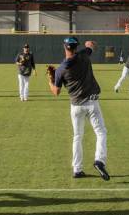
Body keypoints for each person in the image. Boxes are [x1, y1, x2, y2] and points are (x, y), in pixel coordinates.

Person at [47, 37, 109, 181]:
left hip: (76, 106)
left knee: (77, 137)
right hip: (92, 103)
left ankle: (77, 169)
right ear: (76, 47)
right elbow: (90, 46)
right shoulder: (83, 55)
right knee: (101, 133)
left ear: (65, 47)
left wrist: (51, 79)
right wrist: (90, 43)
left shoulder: (61, 69)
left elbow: (55, 92)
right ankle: (99, 160)